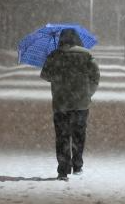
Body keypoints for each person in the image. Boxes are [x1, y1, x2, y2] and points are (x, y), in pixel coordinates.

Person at [40, 28, 100, 181]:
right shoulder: (86, 55)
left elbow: (45, 75)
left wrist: (57, 70)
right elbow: (95, 77)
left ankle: (63, 169)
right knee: (79, 134)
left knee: (62, 136)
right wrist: (88, 93)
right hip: (81, 102)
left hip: (61, 103)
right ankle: (78, 164)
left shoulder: (54, 55)